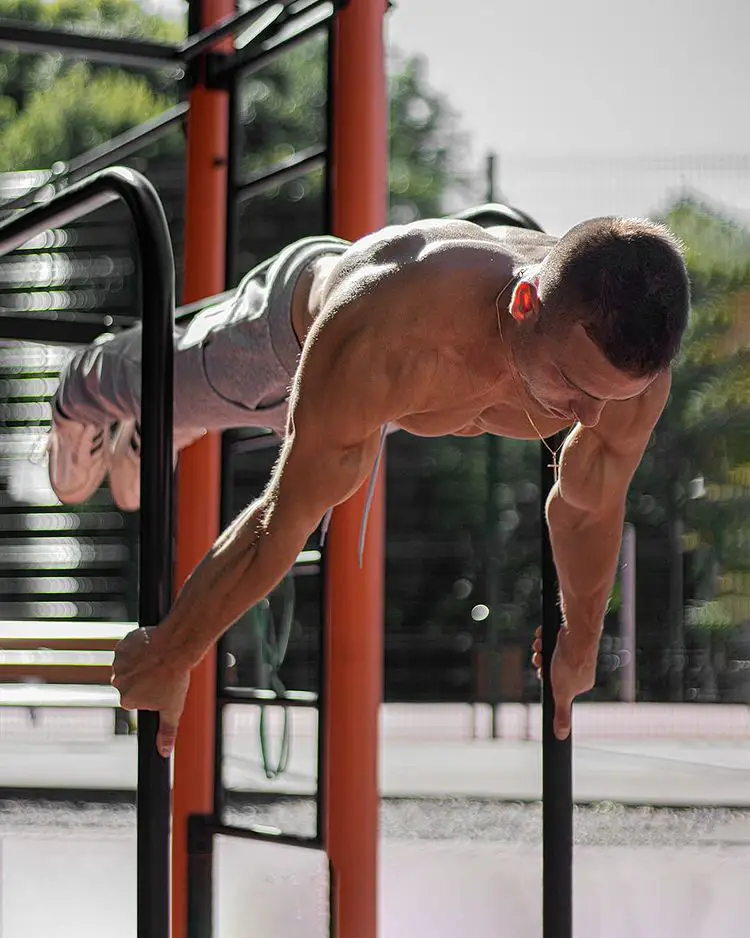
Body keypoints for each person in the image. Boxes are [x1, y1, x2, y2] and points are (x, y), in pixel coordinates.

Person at [49, 214, 690, 755]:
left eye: (611, 397)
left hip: (383, 401)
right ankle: (81, 392)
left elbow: (587, 508)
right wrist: (173, 651)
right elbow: (281, 519)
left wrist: (579, 641)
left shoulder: (624, 376)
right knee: (169, 383)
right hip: (290, 336)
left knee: (275, 444)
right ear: (524, 303)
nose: (588, 417)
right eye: (574, 386)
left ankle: (145, 436)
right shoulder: (396, 331)